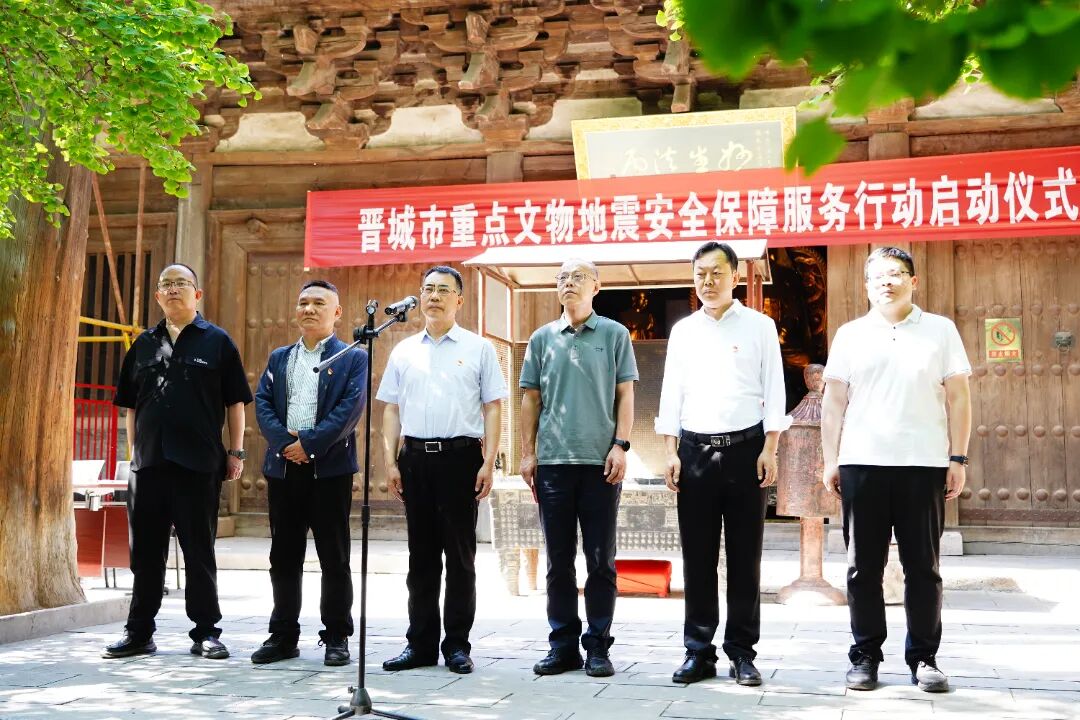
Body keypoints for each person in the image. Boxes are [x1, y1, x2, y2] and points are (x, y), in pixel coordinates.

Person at [820, 246, 972, 693]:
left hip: (922, 464)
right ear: (867, 285)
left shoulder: (940, 330)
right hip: (862, 464)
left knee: (923, 567)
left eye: (897, 273)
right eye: (878, 276)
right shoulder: (850, 335)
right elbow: (834, 402)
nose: (887, 282)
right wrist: (831, 459)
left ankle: (924, 658)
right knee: (862, 568)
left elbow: (959, 397)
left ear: (913, 281)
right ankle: (865, 655)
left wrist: (958, 458)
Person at [655, 240, 788, 686]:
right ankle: (698, 651)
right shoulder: (684, 331)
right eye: (700, 274)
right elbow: (672, 393)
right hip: (694, 451)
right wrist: (670, 450)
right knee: (697, 557)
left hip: (746, 450)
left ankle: (742, 652)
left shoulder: (760, 327)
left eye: (716, 273)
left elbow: (774, 388)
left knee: (746, 558)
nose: (708, 281)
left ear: (735, 276)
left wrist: (770, 447)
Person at [104, 263, 251, 660]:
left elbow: (235, 402)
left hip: (198, 465)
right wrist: (134, 455)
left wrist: (235, 452)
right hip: (149, 465)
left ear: (196, 294)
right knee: (145, 554)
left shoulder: (218, 342)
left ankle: (206, 632)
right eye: (166, 285)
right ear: (157, 296)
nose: (173, 290)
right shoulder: (143, 344)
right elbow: (131, 405)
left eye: (181, 283)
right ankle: (139, 633)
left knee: (198, 551)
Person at [378, 266, 507, 675]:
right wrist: (390, 461)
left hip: (460, 459)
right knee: (421, 558)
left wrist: (489, 461)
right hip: (415, 459)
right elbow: (391, 409)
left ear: (459, 300)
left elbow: (493, 406)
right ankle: (419, 645)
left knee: (460, 557)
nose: (434, 296)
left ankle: (456, 646)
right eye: (428, 289)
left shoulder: (478, 348)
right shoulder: (403, 350)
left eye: (443, 290)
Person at [520, 258, 638, 678]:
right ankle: (563, 646)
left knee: (601, 559)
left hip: (599, 463)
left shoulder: (614, 334)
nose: (569, 284)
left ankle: (598, 646)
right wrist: (528, 452)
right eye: (563, 278)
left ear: (596, 287)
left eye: (578, 278)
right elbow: (530, 399)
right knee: (558, 561)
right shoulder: (541, 338)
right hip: (553, 463)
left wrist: (620, 445)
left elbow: (625, 395)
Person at [251, 279, 369, 666]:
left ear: (337, 312)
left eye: (319, 303)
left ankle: (336, 635)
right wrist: (285, 444)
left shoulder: (352, 357)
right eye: (303, 302)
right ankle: (282, 635)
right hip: (284, 468)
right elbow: (263, 403)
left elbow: (349, 410)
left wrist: (311, 445)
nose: (309, 309)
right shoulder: (280, 357)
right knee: (283, 556)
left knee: (334, 556)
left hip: (329, 471)